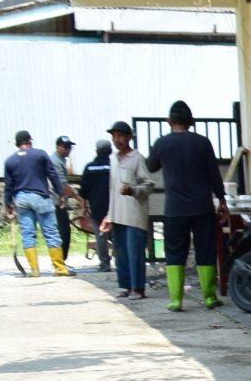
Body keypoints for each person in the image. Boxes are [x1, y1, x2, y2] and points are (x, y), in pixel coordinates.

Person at [146, 100, 223, 311]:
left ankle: (176, 300)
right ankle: (209, 297)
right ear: (191, 121)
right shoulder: (203, 142)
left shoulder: (161, 143)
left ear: (168, 121)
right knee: (205, 250)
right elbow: (214, 175)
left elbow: (151, 166)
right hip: (202, 207)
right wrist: (222, 199)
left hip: (175, 209)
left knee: (174, 252)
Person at [2, 128, 67, 277]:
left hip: (22, 200)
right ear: (30, 142)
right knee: (50, 232)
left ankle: (34, 270)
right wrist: (61, 193)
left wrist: (8, 204)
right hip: (40, 197)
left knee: (28, 234)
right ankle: (59, 268)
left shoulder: (10, 161)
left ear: (17, 144)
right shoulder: (40, 154)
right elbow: (53, 174)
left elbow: (8, 185)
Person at [106, 122, 155, 300]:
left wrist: (133, 190)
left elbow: (149, 185)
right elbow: (112, 188)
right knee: (120, 252)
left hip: (134, 214)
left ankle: (138, 288)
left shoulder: (137, 158)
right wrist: (109, 215)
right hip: (118, 213)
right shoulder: (113, 159)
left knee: (135, 252)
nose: (116, 140)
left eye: (120, 136)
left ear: (129, 137)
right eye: (114, 136)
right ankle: (125, 285)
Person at [78, 139, 113, 273]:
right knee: (118, 236)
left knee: (100, 236)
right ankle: (122, 263)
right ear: (110, 151)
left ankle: (104, 264)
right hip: (115, 208)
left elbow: (83, 192)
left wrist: (84, 207)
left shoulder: (89, 168)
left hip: (97, 208)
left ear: (96, 151)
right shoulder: (114, 166)